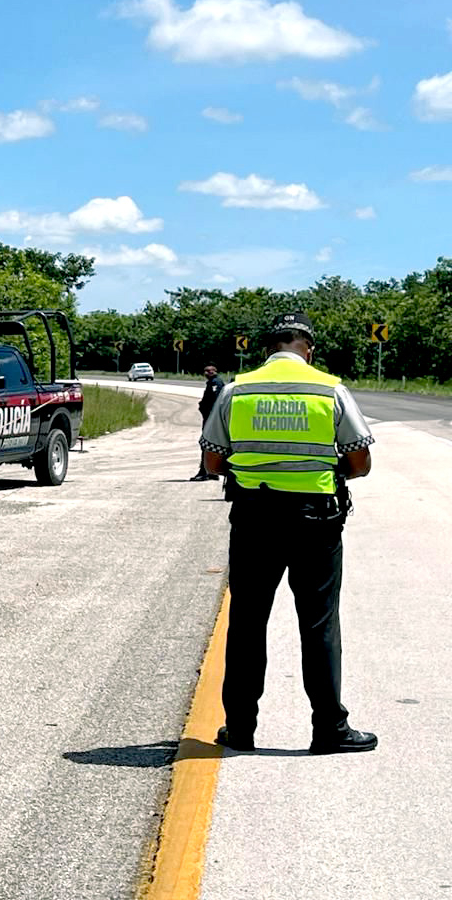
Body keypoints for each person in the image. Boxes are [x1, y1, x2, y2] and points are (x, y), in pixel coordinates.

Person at [200, 311, 377, 755]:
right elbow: (360, 462)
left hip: (254, 517)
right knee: (319, 624)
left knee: (246, 623)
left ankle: (239, 728)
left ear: (268, 350)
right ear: (308, 350)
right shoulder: (329, 389)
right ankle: (329, 729)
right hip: (314, 520)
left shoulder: (237, 390)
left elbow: (213, 463)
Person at [189, 365, 225, 480]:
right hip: (211, 418)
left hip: (211, 419)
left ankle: (204, 472)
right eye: (206, 371)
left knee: (206, 444)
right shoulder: (214, 382)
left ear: (215, 371)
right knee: (210, 444)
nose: (207, 373)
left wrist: (211, 416)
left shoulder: (215, 383)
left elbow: (215, 400)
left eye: (210, 371)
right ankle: (211, 472)